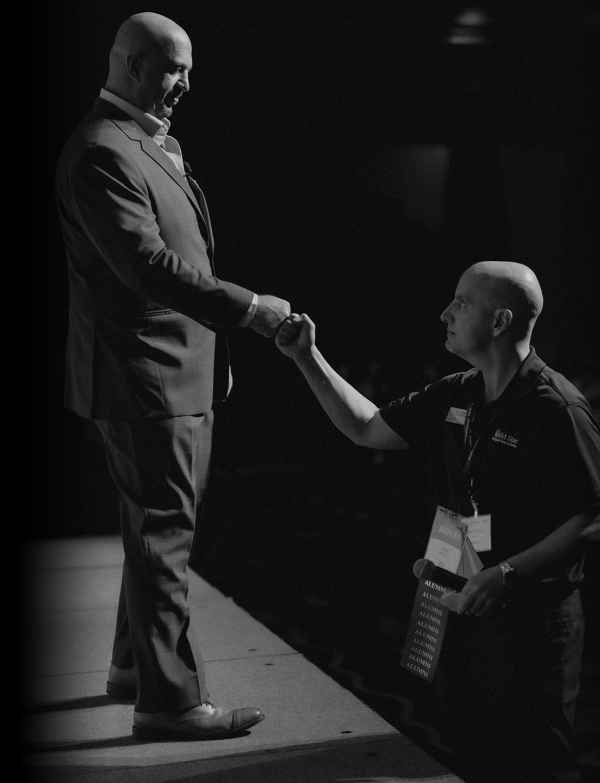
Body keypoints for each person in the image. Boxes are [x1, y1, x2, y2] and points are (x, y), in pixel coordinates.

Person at [276, 261, 600, 782]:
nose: (445, 313)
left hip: (528, 622)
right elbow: (366, 428)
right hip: (457, 601)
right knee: (468, 750)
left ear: (499, 322)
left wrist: (506, 574)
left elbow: (597, 520)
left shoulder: (557, 407)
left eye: (461, 302)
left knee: (533, 762)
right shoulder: (457, 391)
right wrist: (307, 356)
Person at [55, 12, 291, 740]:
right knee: (164, 540)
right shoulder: (102, 149)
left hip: (168, 372)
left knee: (151, 531)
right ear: (131, 64)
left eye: (188, 69)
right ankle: (172, 702)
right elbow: (148, 267)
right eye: (173, 68)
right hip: (146, 378)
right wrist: (250, 309)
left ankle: (134, 667)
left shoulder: (134, 139)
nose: (186, 83)